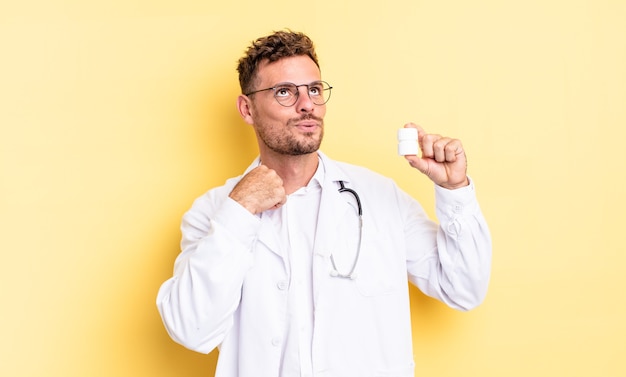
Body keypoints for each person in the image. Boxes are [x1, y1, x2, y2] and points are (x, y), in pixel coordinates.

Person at [157, 30, 491, 377]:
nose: (307, 105)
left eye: (314, 90)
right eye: (284, 92)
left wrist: (456, 191)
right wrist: (239, 211)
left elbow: (464, 289)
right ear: (247, 109)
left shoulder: (380, 197)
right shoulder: (214, 212)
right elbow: (191, 330)